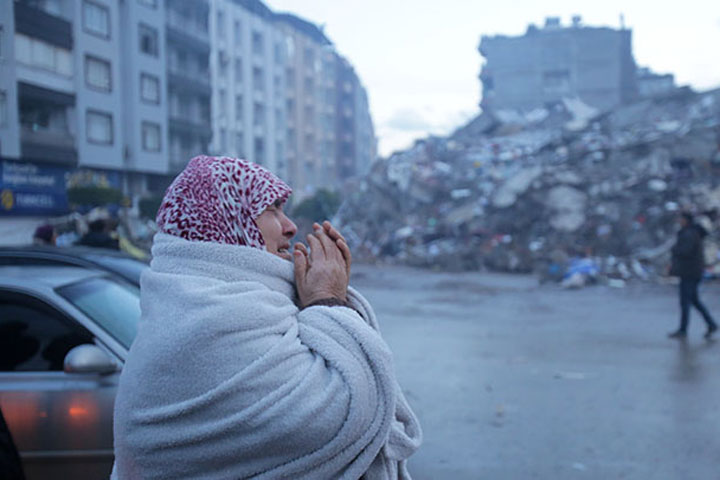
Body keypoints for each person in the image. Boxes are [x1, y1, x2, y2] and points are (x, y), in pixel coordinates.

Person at [112, 156, 421, 479]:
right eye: (272, 210)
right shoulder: (209, 319)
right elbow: (345, 411)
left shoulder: (220, 304)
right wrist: (327, 301)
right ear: (227, 220)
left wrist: (319, 303)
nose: (290, 226)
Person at [668, 212, 718, 339]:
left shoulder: (689, 233)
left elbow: (685, 251)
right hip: (692, 271)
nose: (679, 220)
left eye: (681, 218)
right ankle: (711, 324)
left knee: (685, 302)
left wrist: (674, 249)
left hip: (689, 272)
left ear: (686, 220)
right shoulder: (691, 232)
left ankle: (683, 330)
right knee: (694, 300)